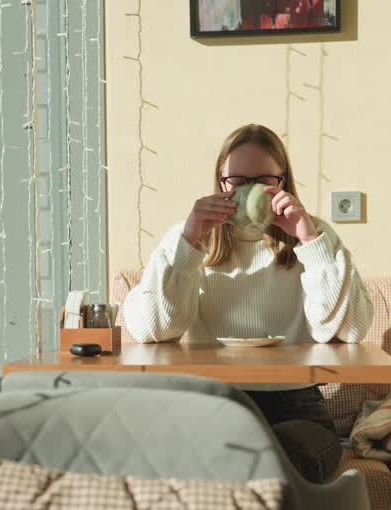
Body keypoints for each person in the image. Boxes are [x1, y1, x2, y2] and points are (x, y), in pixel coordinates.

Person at [122, 123, 373, 486]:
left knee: (287, 458)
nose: (248, 191)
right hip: (213, 401)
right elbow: (154, 330)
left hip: (296, 404)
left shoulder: (313, 234)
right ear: (220, 183)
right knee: (208, 454)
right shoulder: (190, 236)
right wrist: (189, 240)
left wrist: (309, 240)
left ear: (282, 182)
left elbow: (350, 330)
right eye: (237, 182)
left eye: (263, 181)